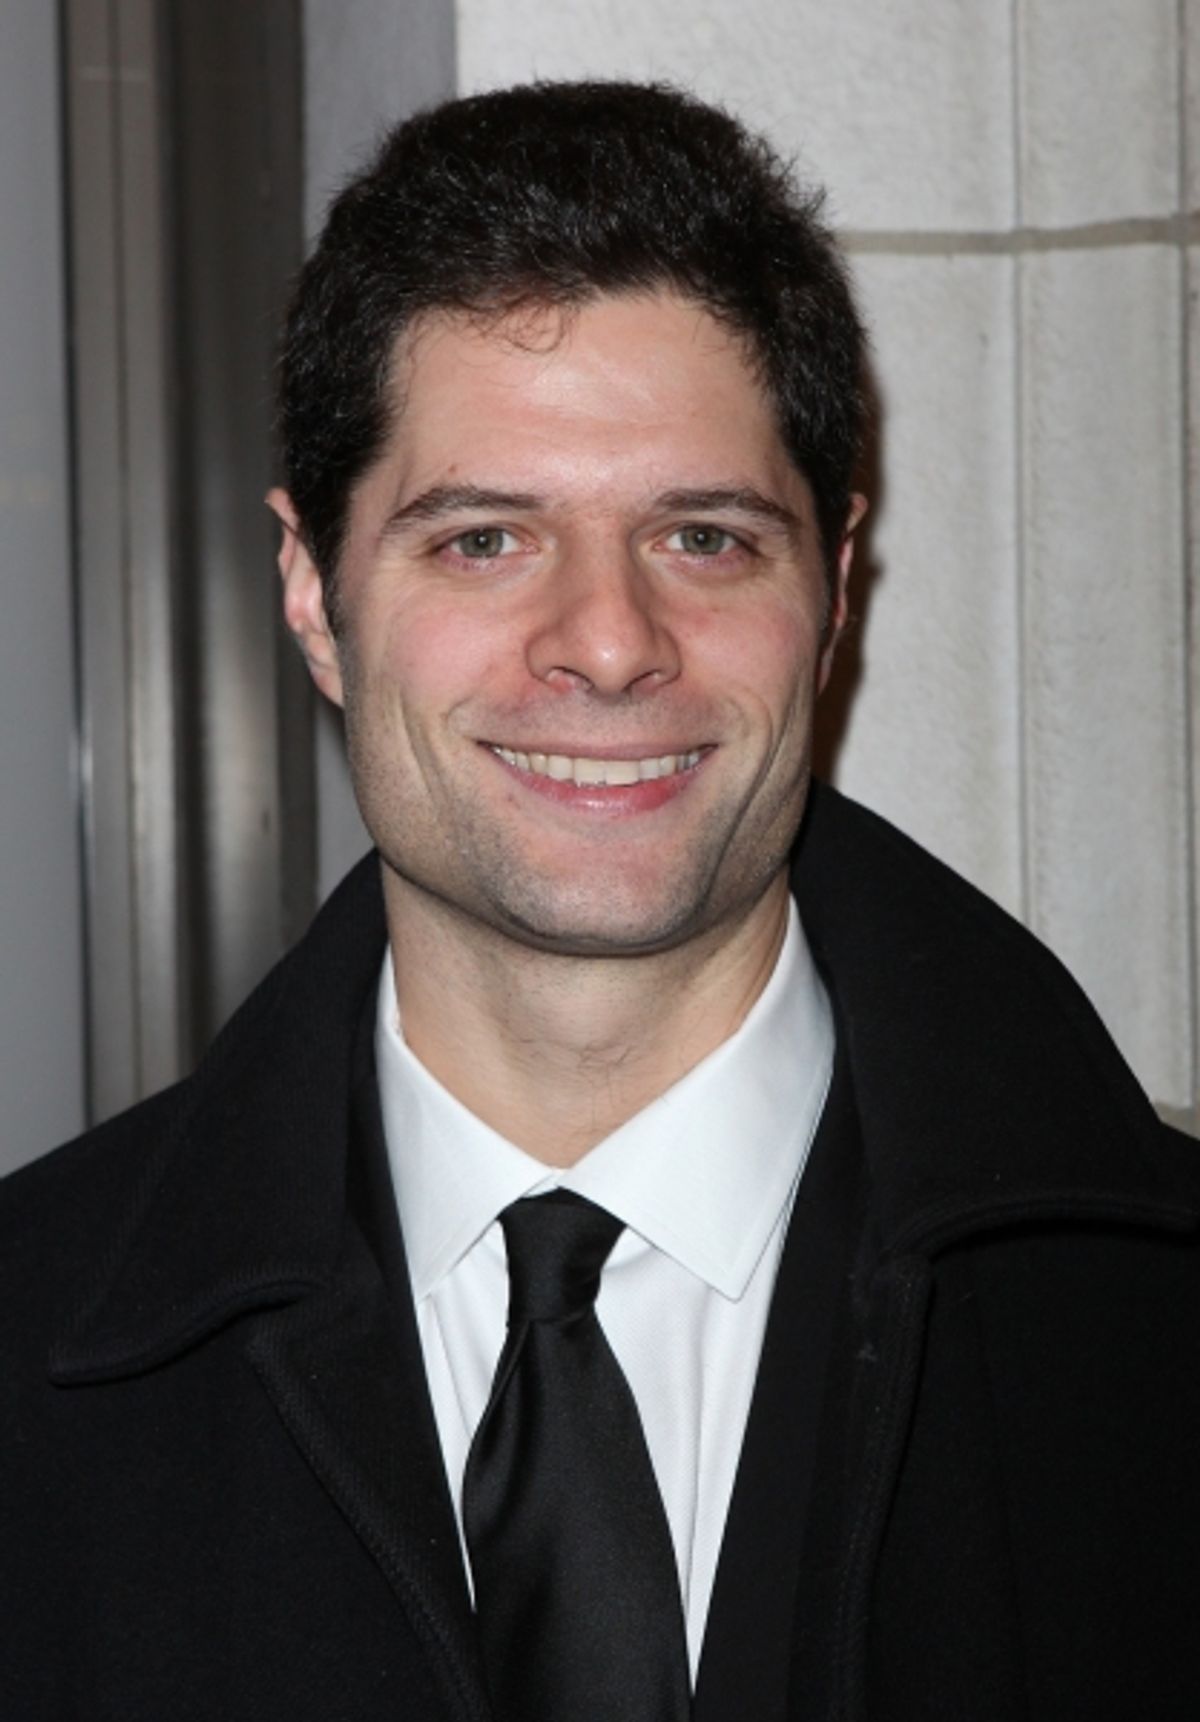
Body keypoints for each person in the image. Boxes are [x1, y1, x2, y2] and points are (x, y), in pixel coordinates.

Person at [2, 80, 1198, 1722]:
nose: (612, 640)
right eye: (487, 539)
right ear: (313, 593)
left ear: (835, 584)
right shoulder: (29, 1366)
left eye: (703, 537)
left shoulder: (1154, 1342)